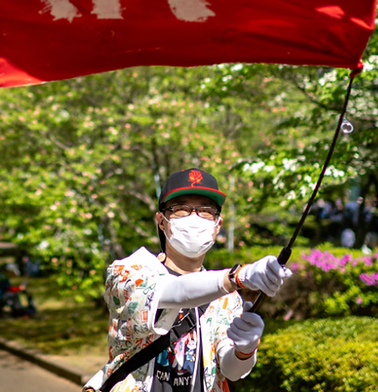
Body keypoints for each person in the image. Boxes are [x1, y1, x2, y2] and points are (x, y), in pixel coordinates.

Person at [84, 168, 292, 392]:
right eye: (181, 209)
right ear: (161, 221)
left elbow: (231, 370)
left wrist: (245, 350)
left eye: (205, 211)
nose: (194, 218)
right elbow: (176, 291)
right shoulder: (128, 272)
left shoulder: (227, 298)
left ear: (217, 226)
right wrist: (237, 276)